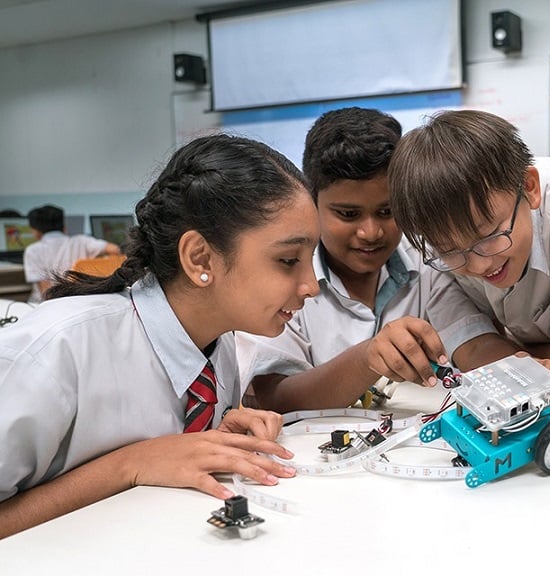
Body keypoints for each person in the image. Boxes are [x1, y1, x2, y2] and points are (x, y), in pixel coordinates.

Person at [0, 133, 319, 539]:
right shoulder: (54, 352)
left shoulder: (217, 343)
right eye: (288, 260)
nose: (312, 285)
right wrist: (129, 465)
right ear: (200, 258)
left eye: (311, 259)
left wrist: (214, 441)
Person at [237, 107, 521, 412]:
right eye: (348, 214)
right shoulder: (284, 275)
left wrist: (528, 372)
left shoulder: (430, 259)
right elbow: (273, 397)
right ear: (312, 202)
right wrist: (366, 358)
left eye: (387, 212)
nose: (370, 232)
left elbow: (474, 343)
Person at [388, 109, 550, 399]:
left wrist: (515, 355)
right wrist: (536, 361)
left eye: (489, 235)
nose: (479, 265)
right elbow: (471, 347)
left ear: (529, 188)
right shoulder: (432, 237)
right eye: (451, 250)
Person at [23, 204, 121, 302]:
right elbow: (115, 249)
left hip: (48, 303)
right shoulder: (82, 241)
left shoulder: (33, 251)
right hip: (80, 299)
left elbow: (46, 291)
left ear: (35, 231)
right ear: (64, 227)